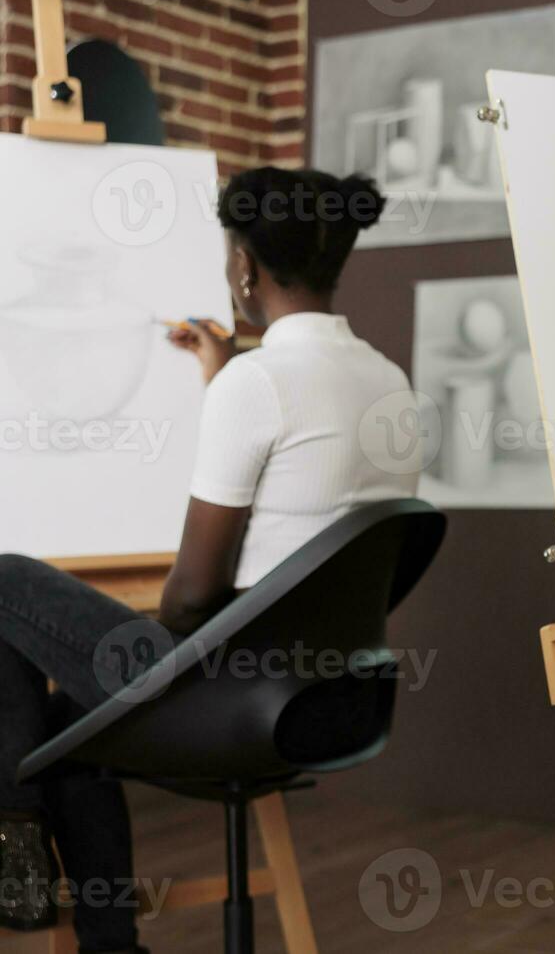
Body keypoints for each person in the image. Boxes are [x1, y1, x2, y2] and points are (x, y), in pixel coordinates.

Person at [0, 168, 419, 953]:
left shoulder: (256, 387)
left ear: (244, 269)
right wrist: (226, 371)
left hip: (238, 702)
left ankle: (10, 821)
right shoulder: (389, 384)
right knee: (62, 730)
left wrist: (141, 661)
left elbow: (192, 598)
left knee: (5, 581)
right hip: (341, 701)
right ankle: (90, 919)